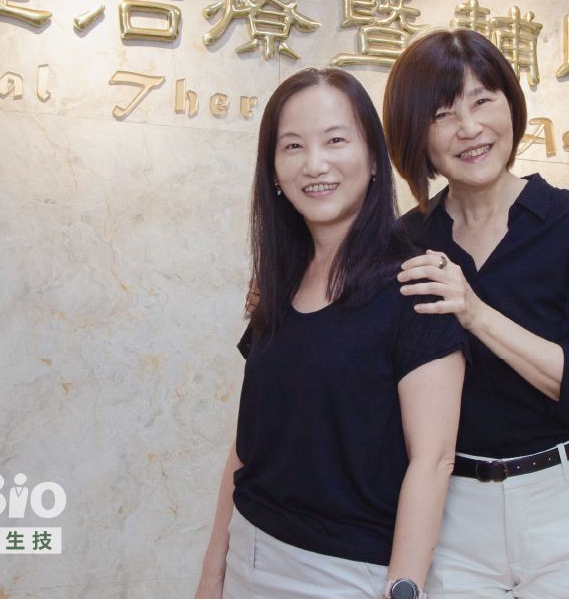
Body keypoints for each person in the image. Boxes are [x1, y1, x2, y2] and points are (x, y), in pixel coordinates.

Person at [195, 67, 467, 599]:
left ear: (373, 159)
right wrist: (213, 573)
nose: (314, 164)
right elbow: (247, 445)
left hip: (346, 574)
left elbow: (433, 461)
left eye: (336, 140)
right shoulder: (278, 283)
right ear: (274, 170)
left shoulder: (416, 286)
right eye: (293, 146)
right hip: (251, 551)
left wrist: (404, 587)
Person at [382, 29, 569, 598]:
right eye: (443, 114)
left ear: (511, 107)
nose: (470, 128)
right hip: (453, 509)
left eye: (483, 100)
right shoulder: (404, 242)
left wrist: (474, 312)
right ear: (417, 136)